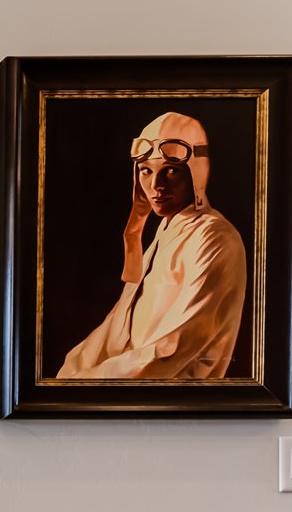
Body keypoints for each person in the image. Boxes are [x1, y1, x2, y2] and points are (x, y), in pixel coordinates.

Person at [56, 111, 247, 380]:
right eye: (146, 171)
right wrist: (71, 372)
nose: (156, 186)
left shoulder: (214, 238)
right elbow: (115, 327)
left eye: (171, 171)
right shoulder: (166, 231)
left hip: (177, 402)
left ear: (196, 174)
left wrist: (91, 380)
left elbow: (172, 348)